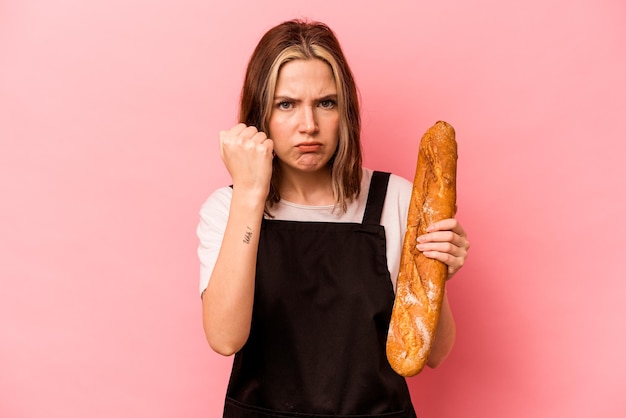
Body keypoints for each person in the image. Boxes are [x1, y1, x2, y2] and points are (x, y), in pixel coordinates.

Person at [197, 19, 470, 418]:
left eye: (325, 103)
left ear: (345, 112)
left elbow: (435, 354)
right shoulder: (228, 208)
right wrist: (251, 194)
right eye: (286, 104)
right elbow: (224, 337)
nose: (309, 125)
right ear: (261, 114)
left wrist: (437, 277)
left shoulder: (394, 199)